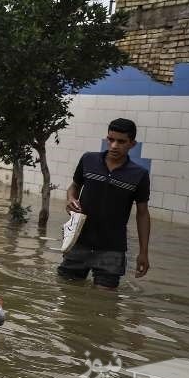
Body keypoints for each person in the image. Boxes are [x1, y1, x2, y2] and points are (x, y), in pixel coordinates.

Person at [57, 118, 151, 290]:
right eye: (111, 139)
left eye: (121, 141)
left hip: (112, 249)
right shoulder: (88, 160)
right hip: (79, 242)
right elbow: (75, 186)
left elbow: (142, 213)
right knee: (67, 294)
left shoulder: (140, 174)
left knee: (104, 304)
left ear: (132, 144)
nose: (114, 145)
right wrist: (70, 198)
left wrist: (143, 252)